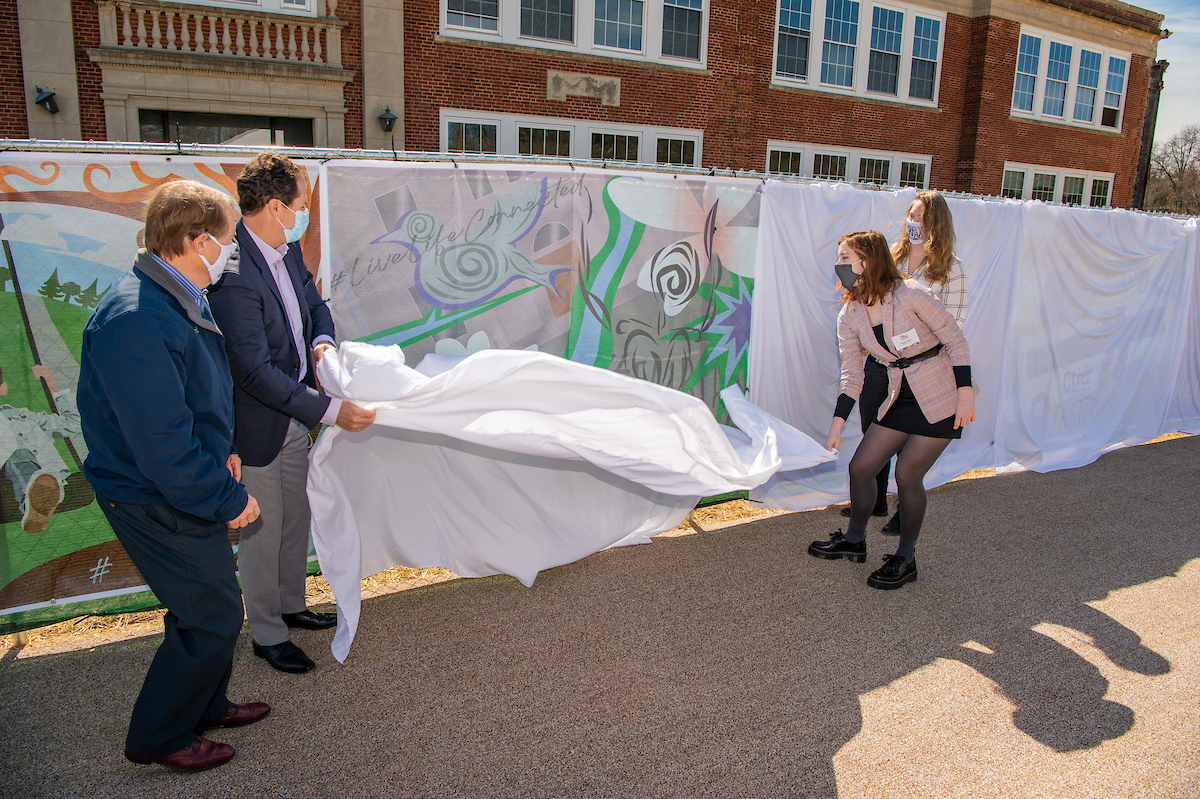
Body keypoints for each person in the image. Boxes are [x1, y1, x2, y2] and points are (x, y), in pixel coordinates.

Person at [77, 180, 267, 772]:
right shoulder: (137, 317)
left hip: (184, 483)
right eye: (229, 241)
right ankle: (158, 735)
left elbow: (196, 396)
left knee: (203, 600)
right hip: (155, 495)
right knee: (210, 613)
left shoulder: (177, 294)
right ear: (196, 240)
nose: (232, 252)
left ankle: (202, 703)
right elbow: (161, 443)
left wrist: (225, 451)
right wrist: (226, 497)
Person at [208, 152, 375, 675]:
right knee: (262, 526)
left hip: (293, 417)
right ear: (277, 207)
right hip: (257, 423)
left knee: (294, 517)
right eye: (300, 205)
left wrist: (322, 342)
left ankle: (290, 604)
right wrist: (329, 411)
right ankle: (266, 632)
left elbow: (314, 303)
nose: (304, 213)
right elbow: (253, 371)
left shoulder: (288, 247)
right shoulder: (234, 270)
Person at [810, 230, 975, 590]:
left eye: (844, 257)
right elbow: (852, 374)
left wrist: (966, 395)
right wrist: (837, 425)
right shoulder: (849, 314)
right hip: (899, 393)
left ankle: (906, 557)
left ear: (866, 261)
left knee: (907, 476)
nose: (838, 266)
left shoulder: (912, 294)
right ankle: (854, 540)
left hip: (941, 395)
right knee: (862, 467)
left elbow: (955, 341)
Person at [839, 190, 968, 535]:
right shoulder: (890, 260)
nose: (913, 222)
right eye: (910, 215)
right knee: (873, 436)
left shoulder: (949, 271)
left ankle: (903, 507)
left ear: (935, 224)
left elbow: (954, 330)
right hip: (882, 369)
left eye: (921, 217)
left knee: (909, 459)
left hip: (926, 369)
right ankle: (873, 500)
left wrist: (961, 385)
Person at [1, 365, 79, 533]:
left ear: (3, 388)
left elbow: (74, 423)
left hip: (27, 476)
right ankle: (37, 499)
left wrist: (51, 383)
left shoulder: (22, 417)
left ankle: (38, 501)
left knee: (18, 454)